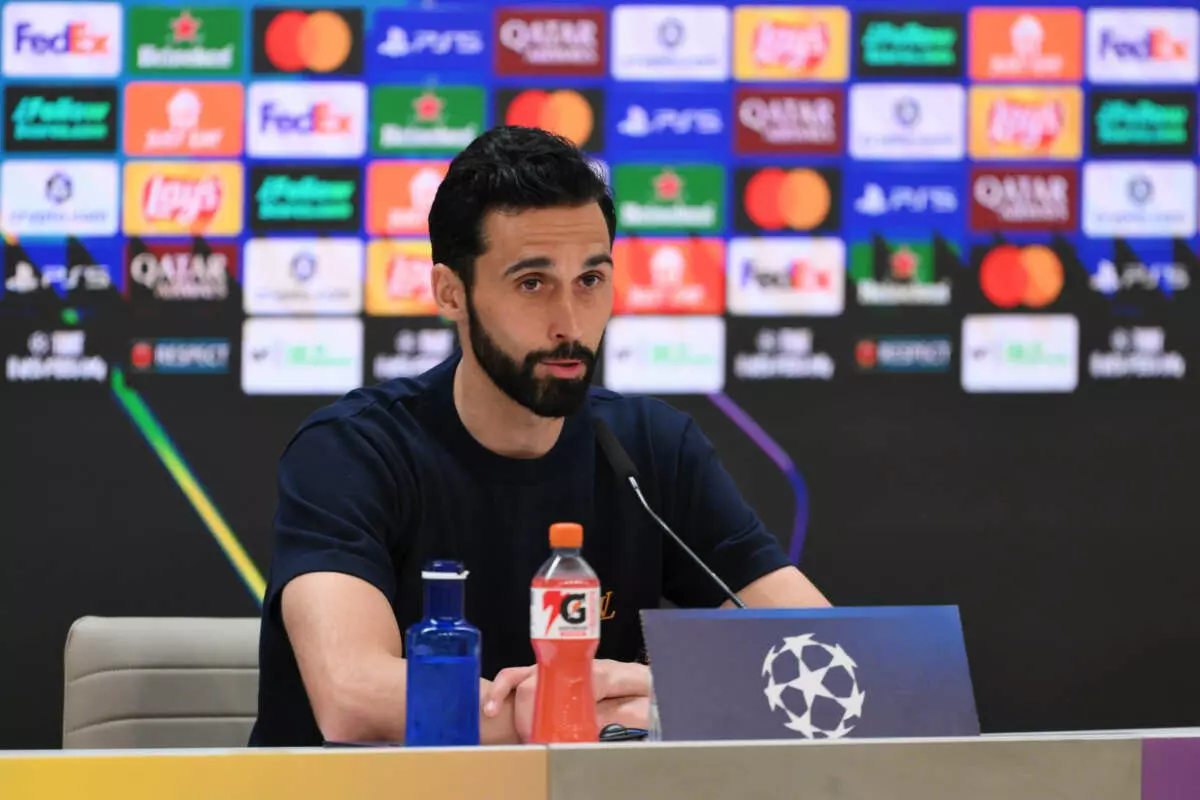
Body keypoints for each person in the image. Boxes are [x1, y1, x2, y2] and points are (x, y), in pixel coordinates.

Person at [248, 126, 830, 747]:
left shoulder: (650, 448)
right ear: (451, 292)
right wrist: (580, 712)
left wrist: (661, 700)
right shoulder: (351, 451)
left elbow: (834, 659)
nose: (571, 323)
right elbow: (353, 695)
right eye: (533, 283)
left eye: (591, 280)